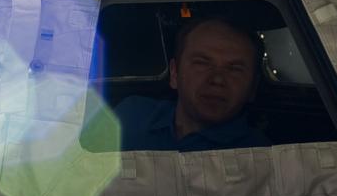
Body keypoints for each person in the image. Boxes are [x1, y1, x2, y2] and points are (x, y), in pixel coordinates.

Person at [115, 17, 271, 151]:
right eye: (202, 63)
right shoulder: (129, 118)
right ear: (174, 74)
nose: (217, 79)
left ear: (253, 87)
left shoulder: (262, 156)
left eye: (234, 69)